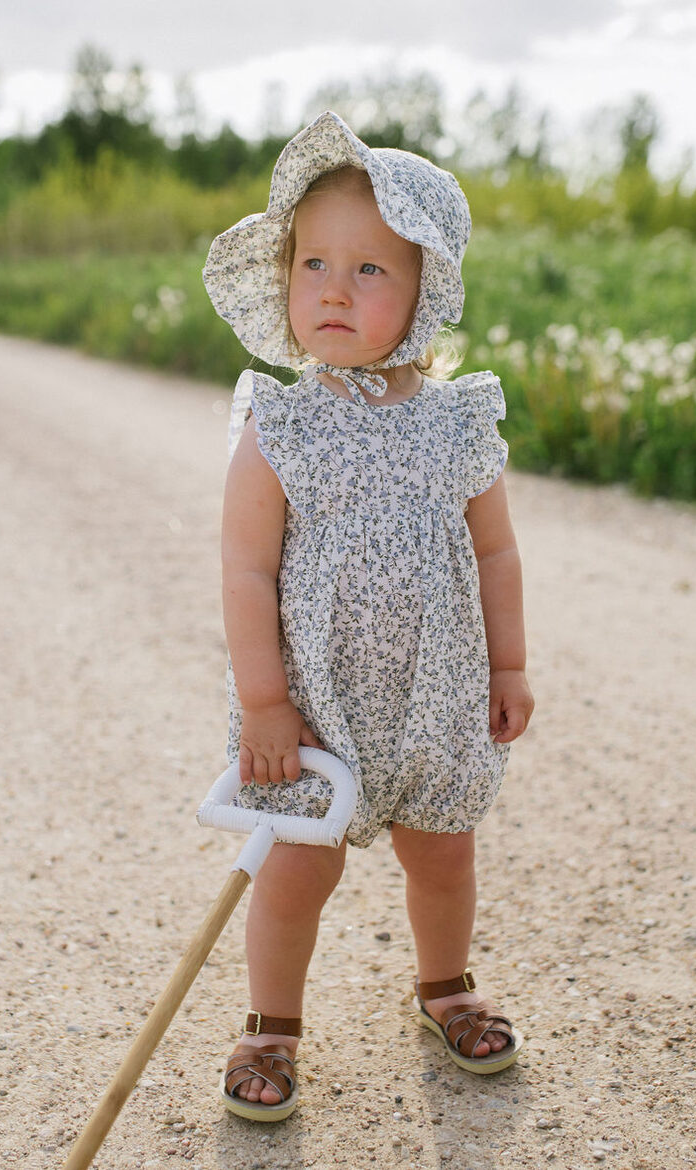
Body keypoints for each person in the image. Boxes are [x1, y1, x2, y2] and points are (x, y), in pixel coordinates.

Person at [202, 111, 534, 1122]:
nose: (334, 290)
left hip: (435, 698)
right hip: (313, 709)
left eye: (370, 269)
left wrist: (509, 666)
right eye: (313, 263)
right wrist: (266, 701)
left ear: (427, 289)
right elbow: (246, 569)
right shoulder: (282, 426)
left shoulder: (455, 421)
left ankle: (445, 987)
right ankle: (270, 1026)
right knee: (295, 871)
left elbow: (494, 551)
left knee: (444, 853)